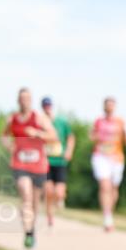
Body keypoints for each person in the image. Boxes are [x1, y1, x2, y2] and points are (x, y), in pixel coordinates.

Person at [1, 87, 58, 248]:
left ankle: (31, 231)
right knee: (25, 194)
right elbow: (4, 136)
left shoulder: (39, 118)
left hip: (38, 165)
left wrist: (37, 133)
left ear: (31, 101)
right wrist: (9, 146)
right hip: (20, 163)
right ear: (18, 100)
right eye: (22, 98)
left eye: (27, 98)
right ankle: (27, 231)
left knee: (34, 203)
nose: (24, 101)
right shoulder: (12, 119)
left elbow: (54, 136)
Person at [91, 96, 126, 232]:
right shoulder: (98, 121)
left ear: (115, 107)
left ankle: (109, 213)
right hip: (101, 157)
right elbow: (91, 136)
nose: (109, 107)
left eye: (111, 105)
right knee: (105, 186)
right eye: (107, 105)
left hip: (116, 158)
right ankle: (107, 218)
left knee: (114, 189)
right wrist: (97, 137)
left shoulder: (122, 122)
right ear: (104, 107)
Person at [41, 96, 75, 227]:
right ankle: (50, 217)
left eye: (49, 105)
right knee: (48, 191)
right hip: (46, 161)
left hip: (60, 161)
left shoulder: (61, 121)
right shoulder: (40, 122)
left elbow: (71, 137)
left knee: (59, 192)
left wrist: (69, 151)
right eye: (45, 106)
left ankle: (59, 200)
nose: (47, 108)